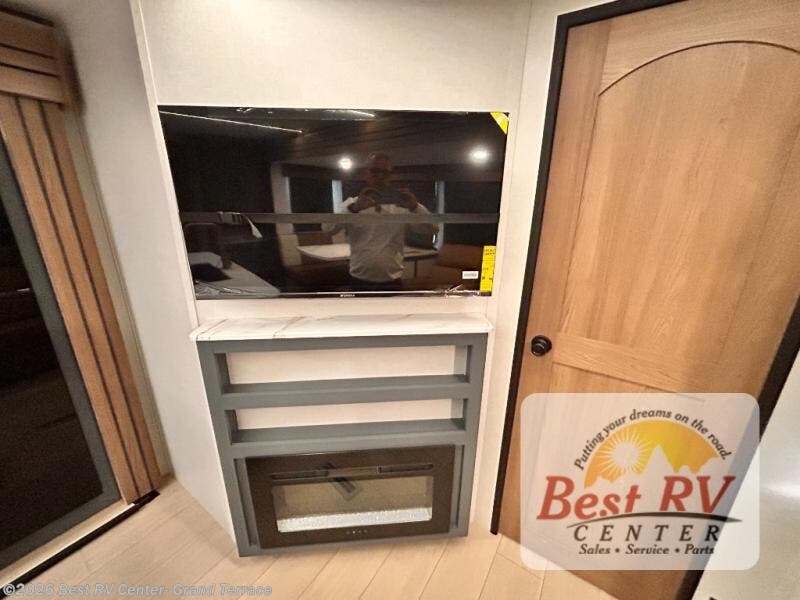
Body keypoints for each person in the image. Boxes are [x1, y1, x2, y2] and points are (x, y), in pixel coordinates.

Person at [326, 153, 437, 289]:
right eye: (375, 171)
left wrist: (415, 207)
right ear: (366, 174)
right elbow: (327, 229)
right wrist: (354, 209)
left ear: (390, 176)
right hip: (359, 280)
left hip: (392, 281)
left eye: (385, 172)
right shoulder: (352, 204)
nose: (380, 176)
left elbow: (431, 229)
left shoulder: (402, 205)